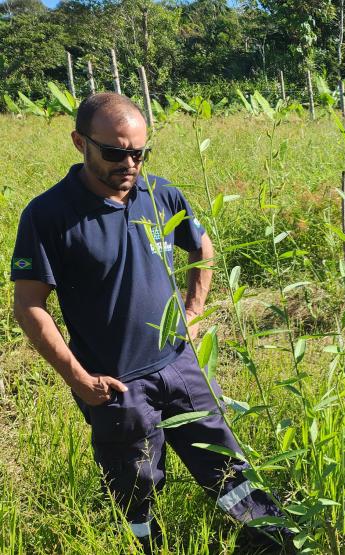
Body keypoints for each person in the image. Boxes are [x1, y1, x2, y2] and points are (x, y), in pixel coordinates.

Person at [10, 93, 286, 551]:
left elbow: (202, 247)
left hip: (180, 364)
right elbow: (29, 306)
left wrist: (193, 313)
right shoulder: (48, 215)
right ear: (80, 142)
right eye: (115, 152)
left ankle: (270, 539)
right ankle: (147, 546)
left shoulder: (159, 194)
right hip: (116, 384)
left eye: (139, 153)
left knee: (226, 461)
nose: (130, 163)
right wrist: (80, 380)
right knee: (134, 484)